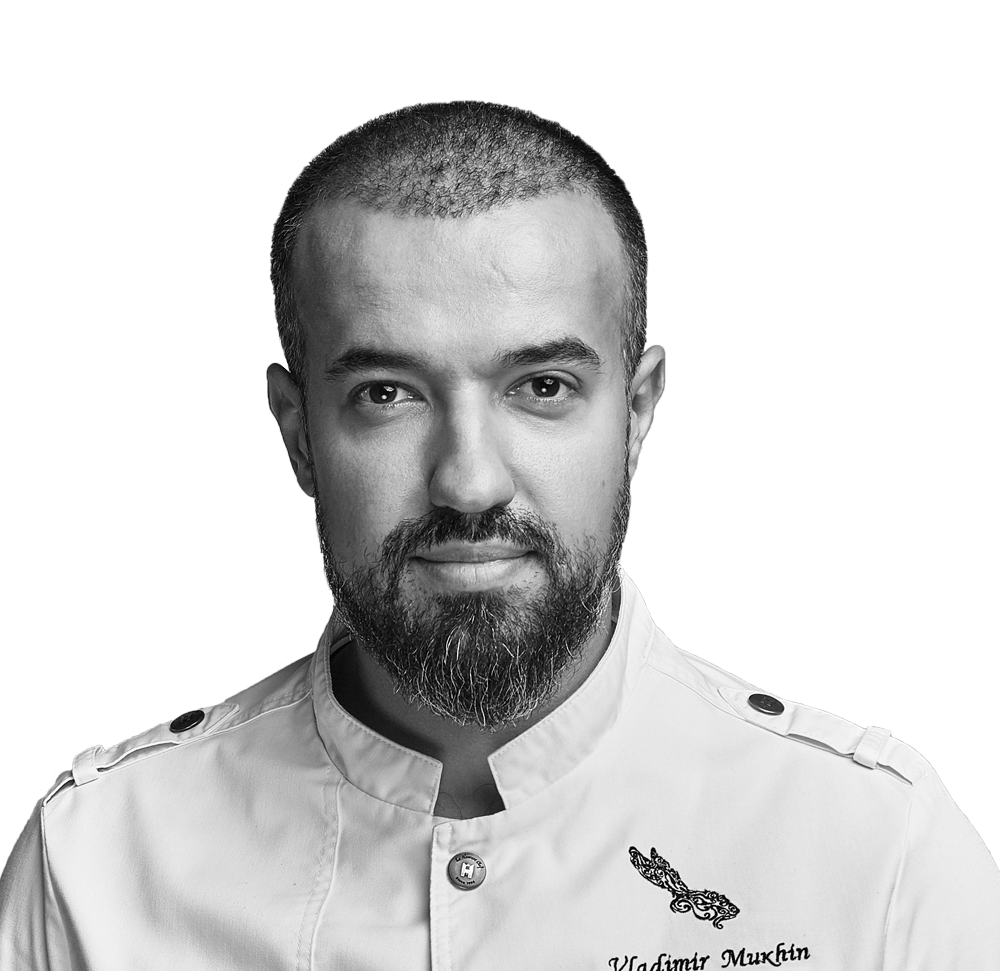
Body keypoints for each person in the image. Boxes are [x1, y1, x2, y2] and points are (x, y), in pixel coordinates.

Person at [1, 91, 998, 970]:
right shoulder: (96, 863)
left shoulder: (875, 854)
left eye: (542, 386)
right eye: (386, 392)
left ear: (635, 412)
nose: (468, 480)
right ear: (299, 434)